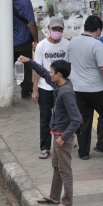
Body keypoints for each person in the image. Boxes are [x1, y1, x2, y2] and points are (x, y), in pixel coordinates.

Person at [17, 57, 82, 206]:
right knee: (56, 166)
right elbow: (43, 72)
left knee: (65, 170)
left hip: (62, 137)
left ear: (59, 74)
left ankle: (67, 202)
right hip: (57, 134)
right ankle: (54, 196)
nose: (50, 74)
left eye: (53, 72)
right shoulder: (59, 84)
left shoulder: (66, 92)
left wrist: (63, 138)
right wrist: (29, 61)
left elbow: (77, 119)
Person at [68, 15, 103, 160]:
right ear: (97, 30)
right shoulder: (96, 44)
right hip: (96, 88)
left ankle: (83, 153)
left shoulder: (72, 41)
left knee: (83, 120)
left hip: (78, 88)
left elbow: (68, 62)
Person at [0, 0, 39, 100]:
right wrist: (36, 41)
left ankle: (6, 91)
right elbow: (32, 23)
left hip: (7, 41)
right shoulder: (25, 2)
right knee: (26, 67)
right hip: (23, 41)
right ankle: (26, 92)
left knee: (8, 66)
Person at [33, 17, 69, 159]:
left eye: (60, 29)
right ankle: (45, 147)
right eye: (55, 29)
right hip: (45, 88)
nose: (57, 32)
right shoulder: (41, 46)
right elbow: (37, 69)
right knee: (45, 117)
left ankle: (65, 140)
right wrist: (35, 89)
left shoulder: (67, 45)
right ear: (49, 28)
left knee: (64, 116)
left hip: (62, 88)